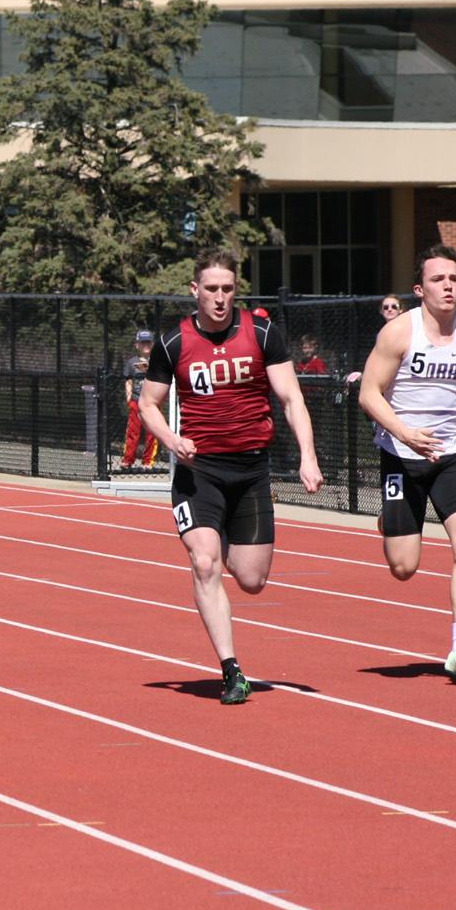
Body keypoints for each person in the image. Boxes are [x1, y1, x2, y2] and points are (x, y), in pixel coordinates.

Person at [138, 250, 323, 705]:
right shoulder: (173, 342)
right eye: (211, 289)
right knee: (204, 563)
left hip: (251, 469)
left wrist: (308, 455)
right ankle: (231, 670)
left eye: (227, 289)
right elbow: (147, 405)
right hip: (199, 470)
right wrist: (171, 439)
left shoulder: (261, 333)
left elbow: (291, 398)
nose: (220, 298)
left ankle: (219, 535)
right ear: (195, 291)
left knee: (252, 579)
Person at [358, 244, 456, 685]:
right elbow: (368, 393)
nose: (448, 286)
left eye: (454, 279)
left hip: (452, 455)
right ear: (420, 289)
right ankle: (392, 516)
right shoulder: (399, 333)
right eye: (438, 279)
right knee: (403, 567)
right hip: (401, 454)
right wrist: (404, 433)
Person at [119, 329, 159, 470]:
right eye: (142, 343)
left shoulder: (158, 361)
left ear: (153, 344)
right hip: (136, 401)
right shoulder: (132, 362)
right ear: (137, 345)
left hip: (153, 403)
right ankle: (128, 460)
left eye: (148, 342)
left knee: (152, 432)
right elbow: (128, 380)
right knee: (133, 432)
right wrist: (129, 396)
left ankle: (148, 461)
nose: (145, 346)